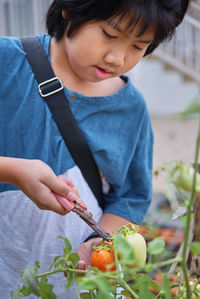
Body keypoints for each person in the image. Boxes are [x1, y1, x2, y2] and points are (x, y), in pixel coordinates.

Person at [0, 0, 190, 297]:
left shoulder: (132, 109)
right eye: (109, 35)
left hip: (73, 288)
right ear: (71, 9)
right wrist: (11, 170)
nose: (117, 58)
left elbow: (131, 198)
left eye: (138, 47)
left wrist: (97, 245)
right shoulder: (6, 62)